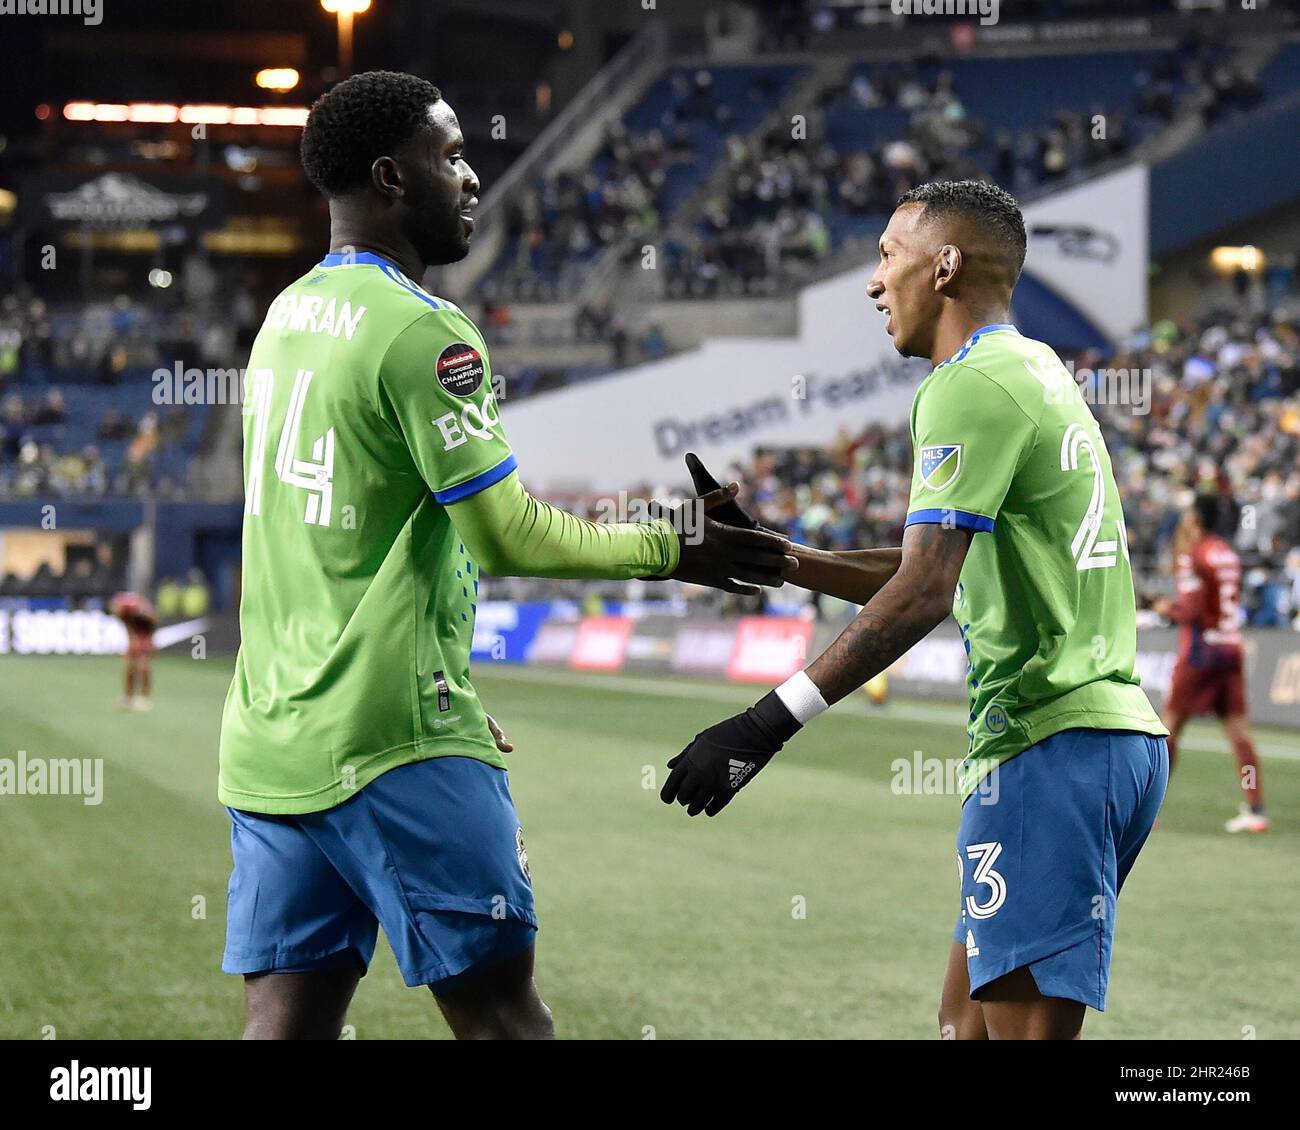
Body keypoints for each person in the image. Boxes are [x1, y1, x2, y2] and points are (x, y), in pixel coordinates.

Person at [219, 71, 791, 1041]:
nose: (475, 176)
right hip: (394, 742)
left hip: (272, 738)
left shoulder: (284, 319)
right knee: (503, 1018)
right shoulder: (425, 333)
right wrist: (676, 545)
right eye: (451, 156)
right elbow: (507, 532)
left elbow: (321, 537)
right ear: (393, 177)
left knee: (284, 1025)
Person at [661, 180, 1169, 1040]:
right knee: (959, 1029)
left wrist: (763, 724)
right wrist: (786, 560)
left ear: (944, 266)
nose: (872, 282)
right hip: (1085, 746)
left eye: (888, 257)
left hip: (1053, 749)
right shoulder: (1031, 367)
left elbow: (926, 588)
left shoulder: (970, 385)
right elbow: (932, 569)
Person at [1155, 494, 1268, 833]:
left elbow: (1189, 610)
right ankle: (1256, 808)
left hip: (1201, 653)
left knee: (1168, 731)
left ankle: (1150, 809)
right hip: (1231, 649)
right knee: (1241, 737)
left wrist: (1165, 609)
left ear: (1195, 519)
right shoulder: (1228, 554)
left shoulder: (1196, 554)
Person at [109, 591, 157, 712]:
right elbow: (115, 611)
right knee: (130, 668)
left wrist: (143, 613)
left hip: (144, 641)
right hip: (134, 640)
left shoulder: (144, 606)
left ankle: (144, 698)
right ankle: (128, 697)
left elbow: (153, 621)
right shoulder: (125, 612)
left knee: (143, 667)